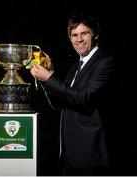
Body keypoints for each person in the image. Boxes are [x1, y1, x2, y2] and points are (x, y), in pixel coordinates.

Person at [30, 13, 116, 176]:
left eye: (85, 33)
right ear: (70, 39)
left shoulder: (104, 62)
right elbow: (59, 102)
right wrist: (46, 79)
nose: (79, 39)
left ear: (95, 35)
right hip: (69, 151)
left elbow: (84, 98)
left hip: (89, 153)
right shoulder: (76, 67)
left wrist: (50, 79)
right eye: (74, 35)